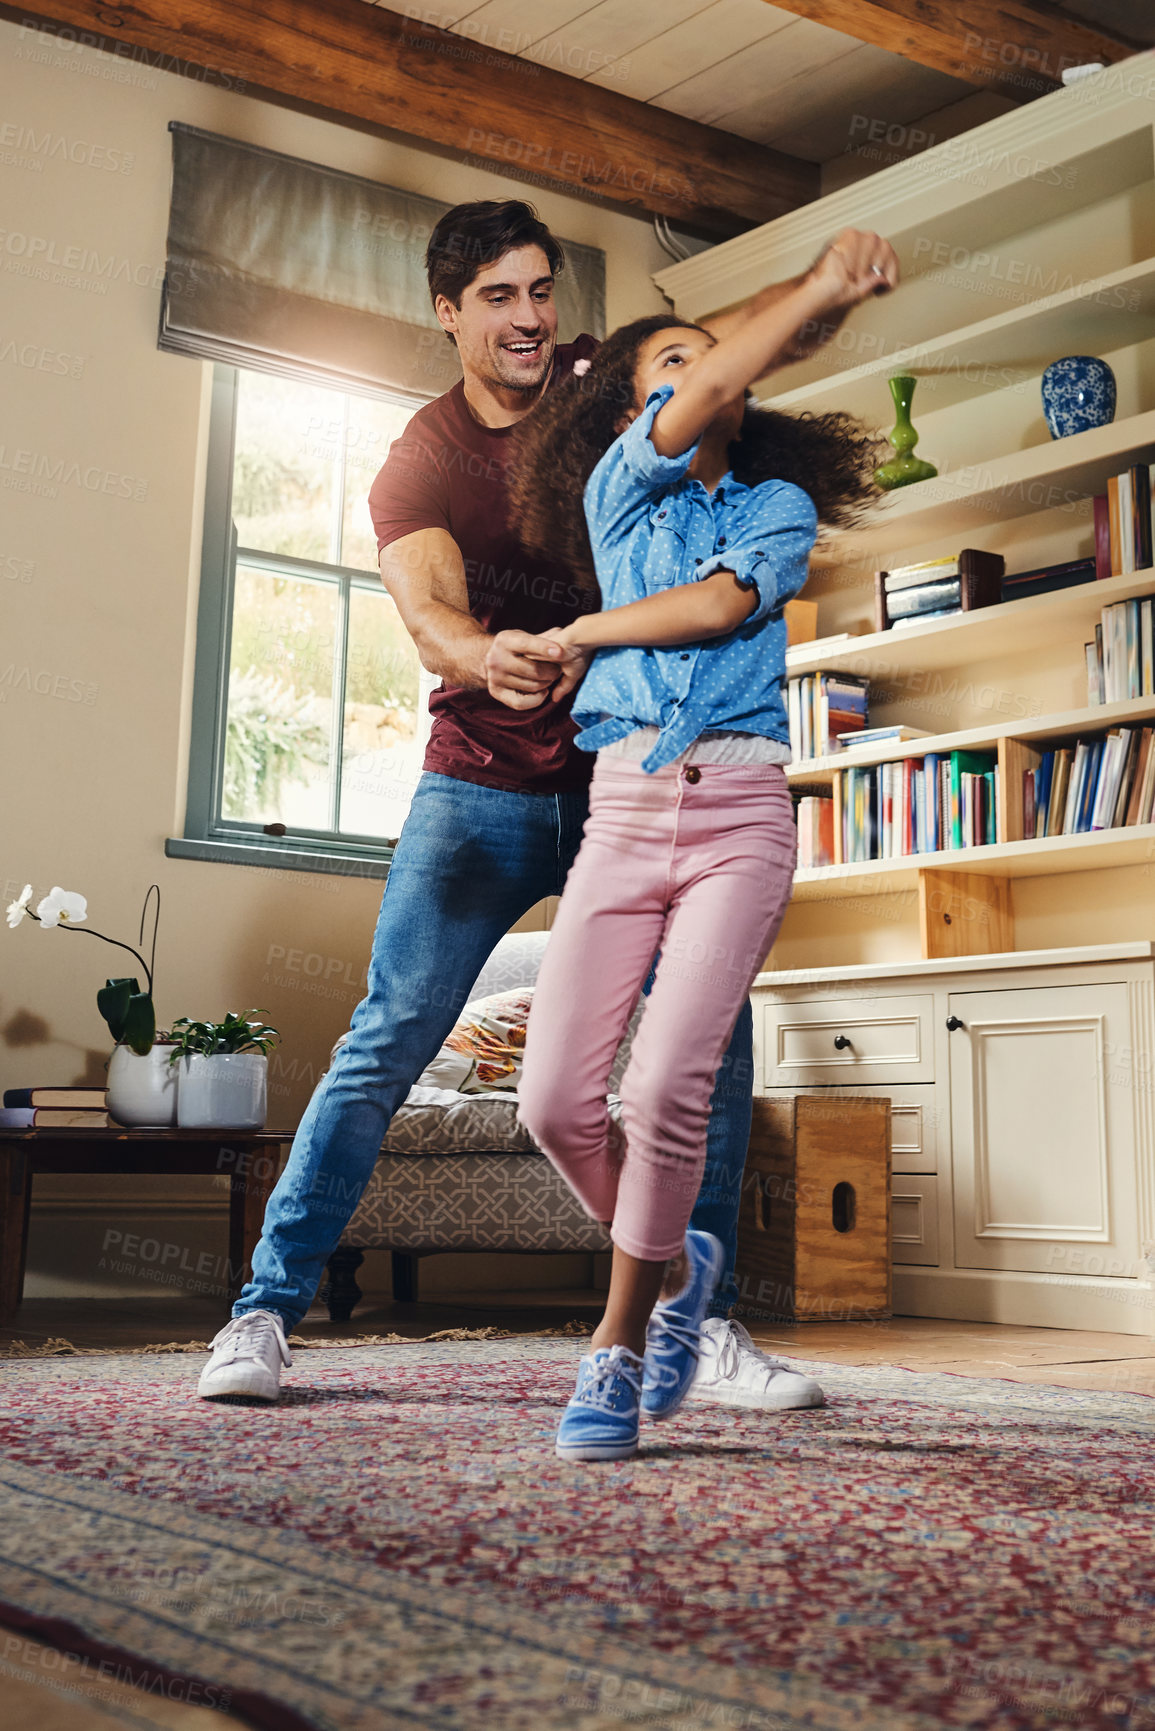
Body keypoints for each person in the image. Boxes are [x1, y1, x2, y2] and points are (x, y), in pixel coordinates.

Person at [197, 199, 895, 1407]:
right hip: (486, 785)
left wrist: (822, 288)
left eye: (542, 292)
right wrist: (485, 656)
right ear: (449, 314)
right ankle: (263, 1312)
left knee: (707, 1048)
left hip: (643, 779)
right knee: (391, 1031)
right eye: (500, 298)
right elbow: (425, 613)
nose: (530, 319)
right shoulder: (425, 454)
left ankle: (699, 1321)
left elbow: (727, 350)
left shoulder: (609, 387)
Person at [511, 254, 890, 1460]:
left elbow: (722, 610)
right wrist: (811, 288)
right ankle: (680, 1272)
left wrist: (575, 629)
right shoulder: (620, 495)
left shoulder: (776, 508)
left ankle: (620, 1349)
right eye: (673, 362)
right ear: (636, 415)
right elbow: (710, 379)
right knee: (556, 1106)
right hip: (621, 814)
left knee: (662, 1088)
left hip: (738, 816)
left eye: (712, 358)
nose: (705, 371)